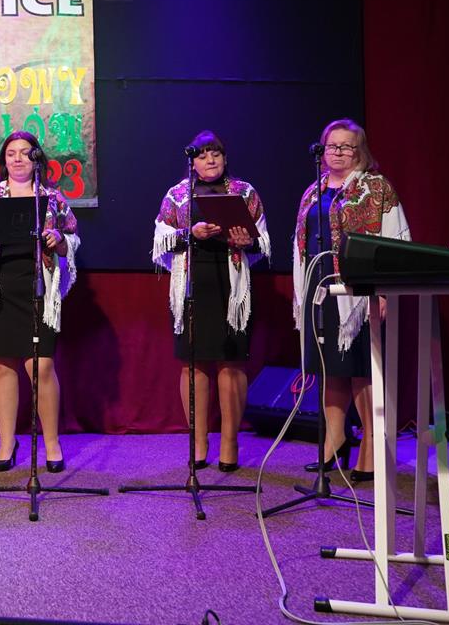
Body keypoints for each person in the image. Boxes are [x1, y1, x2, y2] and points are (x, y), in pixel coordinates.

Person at [292, 118, 409, 481]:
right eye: (332, 146)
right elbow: (300, 242)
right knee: (330, 368)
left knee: (361, 369)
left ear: (360, 151)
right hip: (320, 289)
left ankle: (371, 448)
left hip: (359, 295)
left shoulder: (376, 187)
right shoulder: (313, 191)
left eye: (346, 146)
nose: (338, 152)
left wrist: (384, 289)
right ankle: (335, 440)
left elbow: (395, 239)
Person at [152, 130, 270, 471]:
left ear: (225, 157)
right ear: (193, 162)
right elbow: (160, 238)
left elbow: (264, 240)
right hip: (193, 282)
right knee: (194, 363)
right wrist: (190, 232)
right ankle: (199, 441)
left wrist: (247, 241)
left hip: (232, 283)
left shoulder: (244, 192)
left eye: (215, 153)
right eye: (202, 155)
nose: (210, 160)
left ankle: (230, 442)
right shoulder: (177, 195)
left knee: (231, 363)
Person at [0, 132, 79, 472]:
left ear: (37, 159)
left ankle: (52, 443)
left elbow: (72, 238)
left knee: (40, 366)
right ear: (4, 160)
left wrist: (59, 240)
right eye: (11, 153)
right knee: (3, 367)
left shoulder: (52, 198)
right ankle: (6, 444)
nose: (17, 158)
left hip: (37, 286)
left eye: (25, 153)